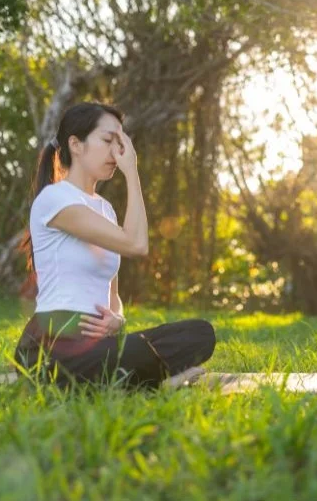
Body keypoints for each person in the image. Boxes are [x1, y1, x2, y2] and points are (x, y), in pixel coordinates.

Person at [14, 101, 216, 390]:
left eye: (121, 143)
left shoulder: (106, 210)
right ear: (76, 144)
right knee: (129, 355)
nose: (117, 152)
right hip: (53, 343)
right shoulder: (55, 199)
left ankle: (126, 381)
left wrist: (118, 319)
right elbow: (135, 244)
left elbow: (112, 294)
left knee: (200, 333)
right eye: (108, 140)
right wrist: (132, 172)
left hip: (97, 347)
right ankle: (145, 381)